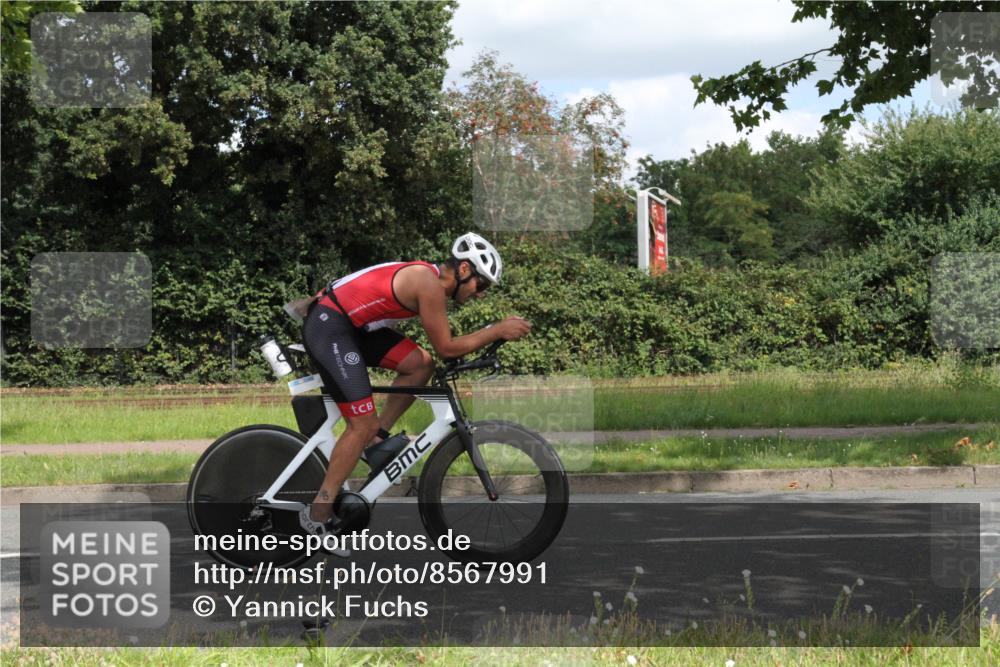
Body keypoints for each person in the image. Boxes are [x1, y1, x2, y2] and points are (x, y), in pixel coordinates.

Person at [298, 232, 531, 535]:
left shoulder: (427, 277)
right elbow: (446, 347)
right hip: (331, 328)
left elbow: (434, 354)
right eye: (481, 284)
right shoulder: (429, 284)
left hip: (350, 326)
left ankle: (375, 440)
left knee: (420, 365)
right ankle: (318, 515)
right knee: (360, 424)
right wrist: (497, 330)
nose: (481, 293)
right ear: (463, 270)